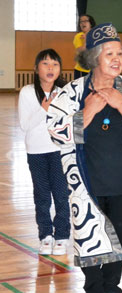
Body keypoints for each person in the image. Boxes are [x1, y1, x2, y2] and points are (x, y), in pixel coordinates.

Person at [47, 23, 122, 293]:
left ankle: (113, 280)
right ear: (94, 58)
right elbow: (55, 130)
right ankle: (93, 284)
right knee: (89, 232)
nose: (116, 60)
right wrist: (88, 111)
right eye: (109, 53)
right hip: (87, 181)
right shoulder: (72, 92)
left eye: (120, 54)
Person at [19, 49, 70, 256]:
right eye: (45, 64)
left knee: (61, 195)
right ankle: (45, 235)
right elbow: (24, 125)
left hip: (59, 151)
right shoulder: (27, 92)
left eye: (55, 64)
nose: (50, 68)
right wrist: (44, 109)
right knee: (41, 196)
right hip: (37, 152)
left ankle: (62, 236)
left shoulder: (65, 91)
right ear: (36, 68)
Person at [73, 14, 96, 79]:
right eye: (81, 21)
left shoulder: (96, 36)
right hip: (81, 70)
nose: (83, 23)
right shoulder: (79, 36)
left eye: (85, 21)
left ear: (91, 23)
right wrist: (86, 39)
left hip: (94, 69)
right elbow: (81, 51)